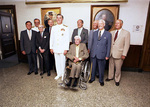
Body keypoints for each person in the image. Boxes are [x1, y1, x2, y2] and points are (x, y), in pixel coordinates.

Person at [105, 19, 130, 86]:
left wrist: (124, 54)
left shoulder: (126, 33)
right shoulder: (112, 32)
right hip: (111, 53)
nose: (116, 24)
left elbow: (127, 45)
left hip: (119, 54)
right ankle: (110, 77)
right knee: (111, 66)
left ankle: (117, 79)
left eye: (118, 23)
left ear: (121, 24)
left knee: (118, 68)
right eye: (116, 23)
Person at [89, 19, 112, 86]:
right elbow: (93, 43)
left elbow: (109, 45)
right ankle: (92, 78)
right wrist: (91, 52)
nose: (99, 25)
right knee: (93, 67)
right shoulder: (94, 33)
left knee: (101, 68)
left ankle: (101, 80)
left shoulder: (108, 34)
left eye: (101, 23)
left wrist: (107, 55)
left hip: (102, 54)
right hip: (94, 53)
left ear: (104, 25)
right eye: (99, 24)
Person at [50, 14, 70, 80]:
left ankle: (63, 75)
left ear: (62, 19)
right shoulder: (54, 27)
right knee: (57, 62)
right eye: (57, 18)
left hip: (62, 48)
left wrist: (66, 49)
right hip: (55, 48)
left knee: (62, 62)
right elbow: (51, 38)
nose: (58, 19)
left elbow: (67, 39)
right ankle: (59, 74)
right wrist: (51, 47)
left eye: (60, 18)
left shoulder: (66, 27)